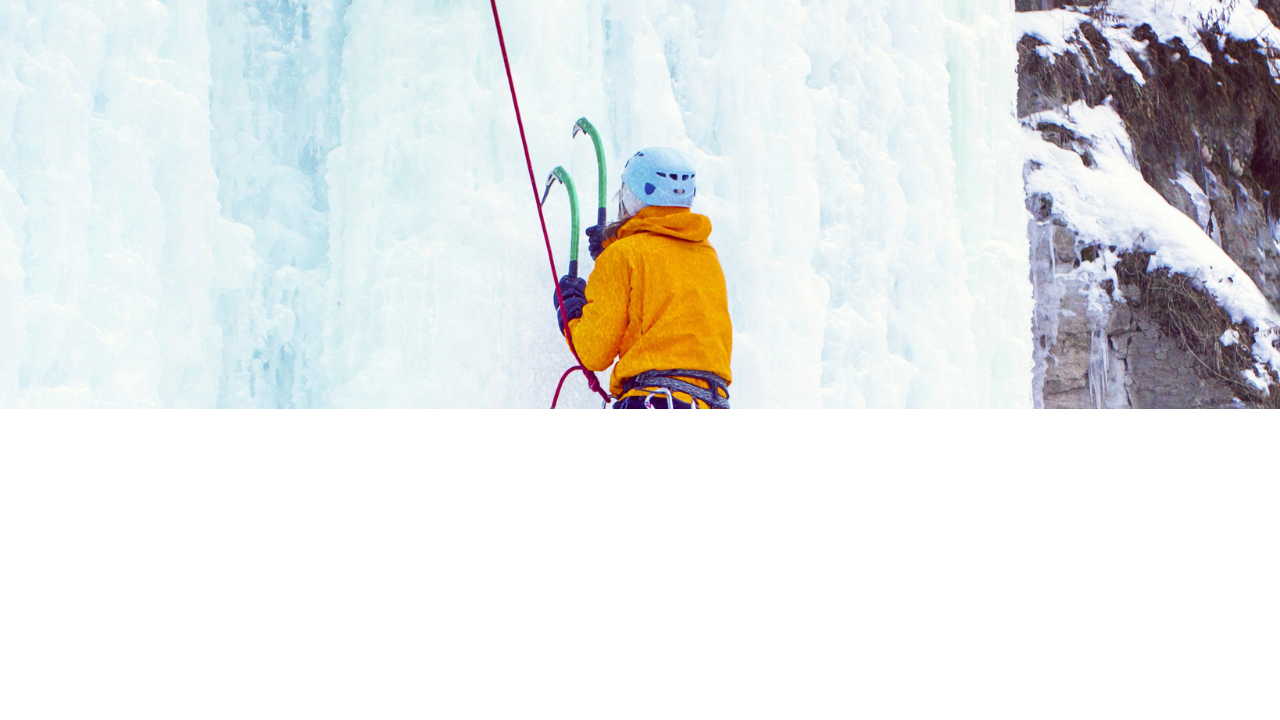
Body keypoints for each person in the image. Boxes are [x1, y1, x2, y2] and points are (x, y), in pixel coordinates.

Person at [554, 148, 732, 409]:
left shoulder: (623, 256)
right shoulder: (706, 255)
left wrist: (570, 309)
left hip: (654, 400)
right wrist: (615, 241)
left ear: (630, 196)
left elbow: (594, 351)